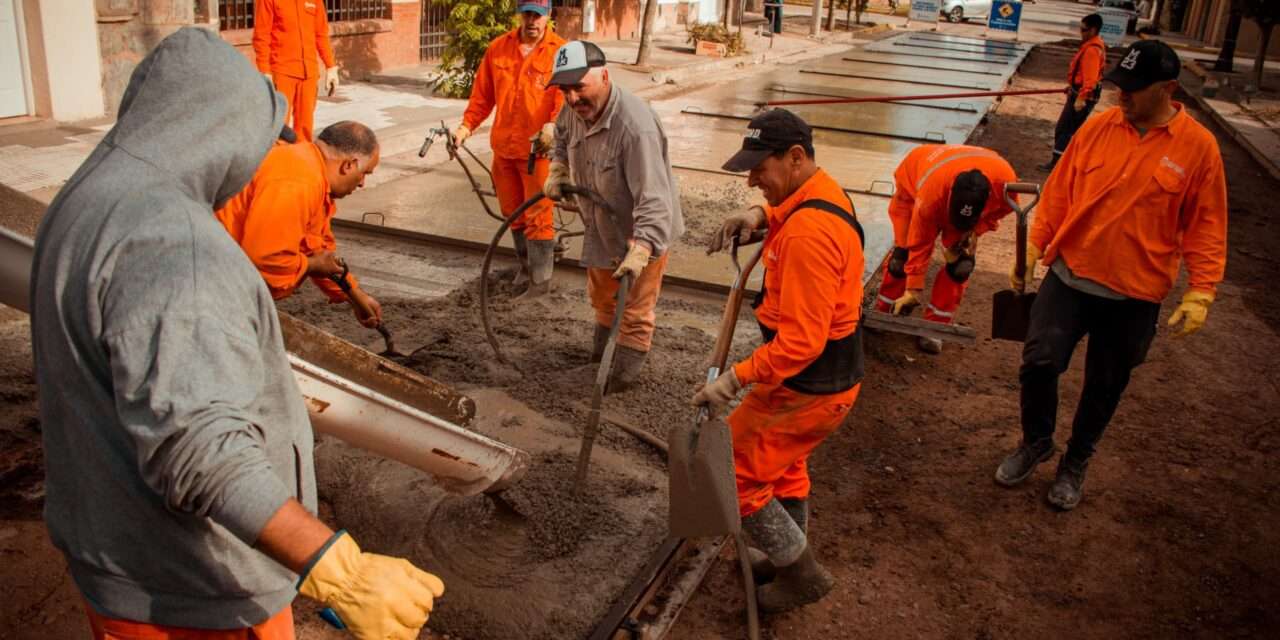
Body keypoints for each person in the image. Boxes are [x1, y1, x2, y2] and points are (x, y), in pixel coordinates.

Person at [29, 28, 442, 639]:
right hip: (193, 588)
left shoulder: (89, 196)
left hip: (116, 554)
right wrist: (338, 568)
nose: (253, 165)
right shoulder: (175, 243)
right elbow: (198, 446)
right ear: (214, 127)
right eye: (253, 143)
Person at [996, 40, 1228, 511]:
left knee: (1105, 384)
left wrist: (1202, 289)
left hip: (1135, 294)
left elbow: (1206, 224)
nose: (1122, 95)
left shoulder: (1198, 149)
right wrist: (1038, 242)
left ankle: (1076, 461)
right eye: (1120, 85)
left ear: (1168, 89)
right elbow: (1059, 191)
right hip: (1071, 273)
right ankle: (1037, 441)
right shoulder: (1100, 128)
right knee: (1039, 361)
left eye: (1135, 89)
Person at [695, 108, 866, 613]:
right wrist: (760, 216)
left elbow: (801, 343)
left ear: (794, 157)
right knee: (785, 465)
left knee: (729, 469)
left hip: (808, 384)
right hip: (824, 381)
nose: (752, 179)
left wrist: (731, 382)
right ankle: (783, 551)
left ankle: (801, 572)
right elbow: (797, 208)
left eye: (758, 168)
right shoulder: (822, 192)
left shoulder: (809, 236)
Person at [543, 41, 684, 392]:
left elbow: (655, 197)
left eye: (579, 87)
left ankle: (620, 378)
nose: (573, 98)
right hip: (601, 223)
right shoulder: (572, 111)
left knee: (633, 308)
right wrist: (558, 168)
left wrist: (642, 248)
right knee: (603, 297)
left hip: (642, 230)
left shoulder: (636, 127)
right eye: (565, 90)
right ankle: (600, 361)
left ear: (604, 76)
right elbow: (561, 133)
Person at [217, 120, 383, 329]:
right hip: (211, 277)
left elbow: (314, 245)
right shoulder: (300, 181)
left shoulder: (309, 165)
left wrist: (354, 295)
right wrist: (312, 265)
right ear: (348, 165)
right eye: (365, 173)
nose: (362, 183)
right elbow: (266, 260)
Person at [454, 0, 567, 298]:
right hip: (504, 148)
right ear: (519, 14)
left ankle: (540, 283)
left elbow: (565, 98)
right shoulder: (498, 49)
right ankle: (526, 268)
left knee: (538, 216)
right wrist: (466, 126)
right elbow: (482, 95)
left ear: (548, 16)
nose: (531, 21)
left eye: (538, 16)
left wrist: (553, 125)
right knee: (512, 212)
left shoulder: (560, 52)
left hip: (538, 152)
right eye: (527, 14)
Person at [874, 144, 1018, 354]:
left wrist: (975, 230)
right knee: (902, 257)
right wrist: (913, 289)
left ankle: (936, 325)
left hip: (961, 190)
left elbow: (1004, 210)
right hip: (914, 186)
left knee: (960, 267)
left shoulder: (1005, 184)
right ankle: (884, 309)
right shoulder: (930, 199)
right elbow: (919, 243)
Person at [253, 0, 340, 142]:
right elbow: (261, 36)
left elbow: (321, 35)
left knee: (305, 127)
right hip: (282, 71)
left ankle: (301, 160)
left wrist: (331, 67)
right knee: (279, 126)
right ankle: (279, 161)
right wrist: (264, 71)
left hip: (309, 73)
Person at [1042, 13, 1106, 172]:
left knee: (1066, 130)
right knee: (1065, 128)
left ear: (1093, 30)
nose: (1081, 33)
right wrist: (1072, 87)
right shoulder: (1091, 46)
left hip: (1083, 96)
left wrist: (1081, 98)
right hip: (1078, 92)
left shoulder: (1092, 50)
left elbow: (1090, 79)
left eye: (1084, 30)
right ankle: (1060, 163)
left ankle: (1058, 165)